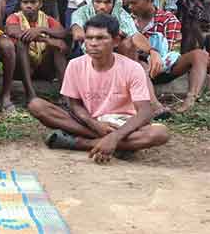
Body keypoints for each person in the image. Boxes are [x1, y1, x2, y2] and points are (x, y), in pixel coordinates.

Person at [28, 14, 169, 163]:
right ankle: (120, 146)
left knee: (160, 133)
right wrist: (95, 124)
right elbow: (75, 104)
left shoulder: (133, 68)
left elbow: (145, 112)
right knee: (36, 105)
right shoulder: (75, 65)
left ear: (115, 41)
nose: (93, 43)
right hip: (89, 122)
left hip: (122, 124)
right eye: (89, 38)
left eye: (101, 38)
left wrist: (115, 136)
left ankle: (83, 143)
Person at [71, 0, 169, 118]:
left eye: (107, 2)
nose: (102, 6)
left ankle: (152, 103)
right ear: (92, 1)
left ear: (114, 3)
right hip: (91, 55)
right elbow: (78, 34)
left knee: (132, 51)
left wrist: (153, 51)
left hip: (119, 56)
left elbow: (135, 36)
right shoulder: (81, 12)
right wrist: (107, 37)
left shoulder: (122, 15)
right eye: (98, 1)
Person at [126, 0, 208, 113]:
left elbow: (170, 53)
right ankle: (155, 105)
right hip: (139, 69)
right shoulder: (128, 20)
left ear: (148, 0)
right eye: (128, 3)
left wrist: (150, 54)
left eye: (134, 3)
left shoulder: (168, 19)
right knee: (139, 64)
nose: (130, 7)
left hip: (165, 67)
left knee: (200, 55)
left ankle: (191, 98)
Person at [5, 0, 68, 101]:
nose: (29, 6)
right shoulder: (14, 18)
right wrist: (46, 39)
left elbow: (63, 33)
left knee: (58, 46)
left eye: (33, 2)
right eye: (25, 2)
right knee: (21, 43)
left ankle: (65, 96)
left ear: (40, 4)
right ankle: (30, 94)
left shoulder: (47, 19)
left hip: (43, 68)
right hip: (21, 68)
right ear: (20, 4)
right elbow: (14, 32)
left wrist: (41, 29)